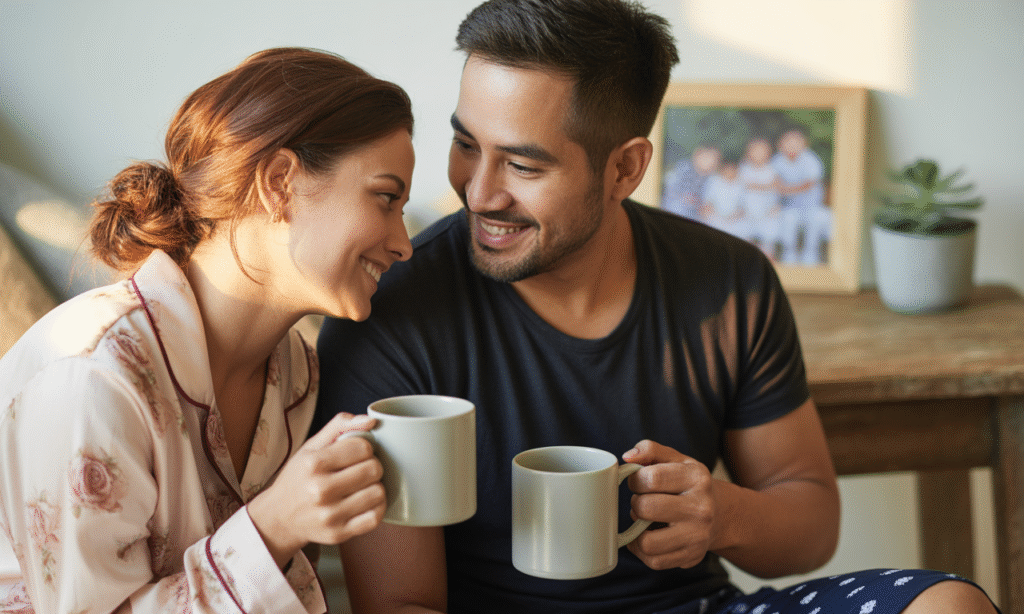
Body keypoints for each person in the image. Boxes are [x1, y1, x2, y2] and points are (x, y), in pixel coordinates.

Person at [314, 1, 1000, 613]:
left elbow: (811, 520)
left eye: (523, 166)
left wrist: (723, 515)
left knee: (950, 604)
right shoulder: (391, 311)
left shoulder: (728, 281)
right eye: (467, 145)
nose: (480, 191)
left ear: (625, 168)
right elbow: (400, 603)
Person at [0, 47, 414, 613]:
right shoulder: (93, 377)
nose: (403, 243)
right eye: (386, 199)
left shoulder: (294, 371)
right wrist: (272, 526)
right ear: (280, 182)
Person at [773, 129, 832, 266]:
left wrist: (786, 189)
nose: (792, 146)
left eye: (796, 143)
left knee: (816, 219)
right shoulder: (777, 160)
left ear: (804, 144)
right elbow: (774, 182)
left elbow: (809, 184)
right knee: (788, 219)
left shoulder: (811, 159)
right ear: (781, 145)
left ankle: (810, 253)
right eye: (788, 143)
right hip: (789, 207)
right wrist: (783, 190)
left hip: (812, 206)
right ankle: (789, 253)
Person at [738, 138, 783, 259]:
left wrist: (774, 203)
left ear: (768, 154)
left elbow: (776, 189)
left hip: (767, 209)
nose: (759, 154)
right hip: (747, 210)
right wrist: (767, 186)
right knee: (743, 231)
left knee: (770, 230)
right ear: (748, 153)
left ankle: (767, 255)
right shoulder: (744, 169)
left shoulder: (772, 169)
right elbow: (743, 188)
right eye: (755, 151)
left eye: (762, 151)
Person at [660, 144, 721, 220]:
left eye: (716, 160)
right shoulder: (682, 168)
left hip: (696, 216)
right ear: (698, 155)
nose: (713, 162)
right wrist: (688, 199)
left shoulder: (711, 178)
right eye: (710, 157)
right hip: (674, 211)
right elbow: (671, 191)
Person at [698, 157, 748, 238]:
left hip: (734, 217)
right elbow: (708, 201)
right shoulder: (714, 181)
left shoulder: (741, 184)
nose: (729, 172)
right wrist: (710, 210)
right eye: (727, 169)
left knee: (742, 227)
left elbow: (743, 206)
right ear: (721, 169)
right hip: (715, 215)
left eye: (733, 169)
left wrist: (735, 215)